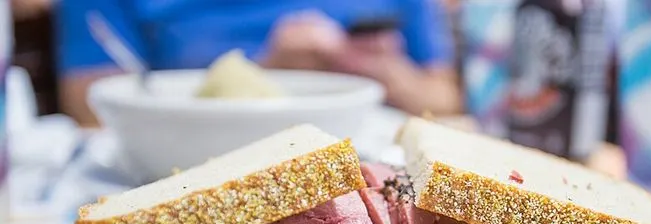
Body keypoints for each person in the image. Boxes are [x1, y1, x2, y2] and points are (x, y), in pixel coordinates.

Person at [56, 0, 461, 125]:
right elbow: (87, 107)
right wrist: (266, 72)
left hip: (370, 153)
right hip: (182, 162)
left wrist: (374, 69)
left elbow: (445, 99)